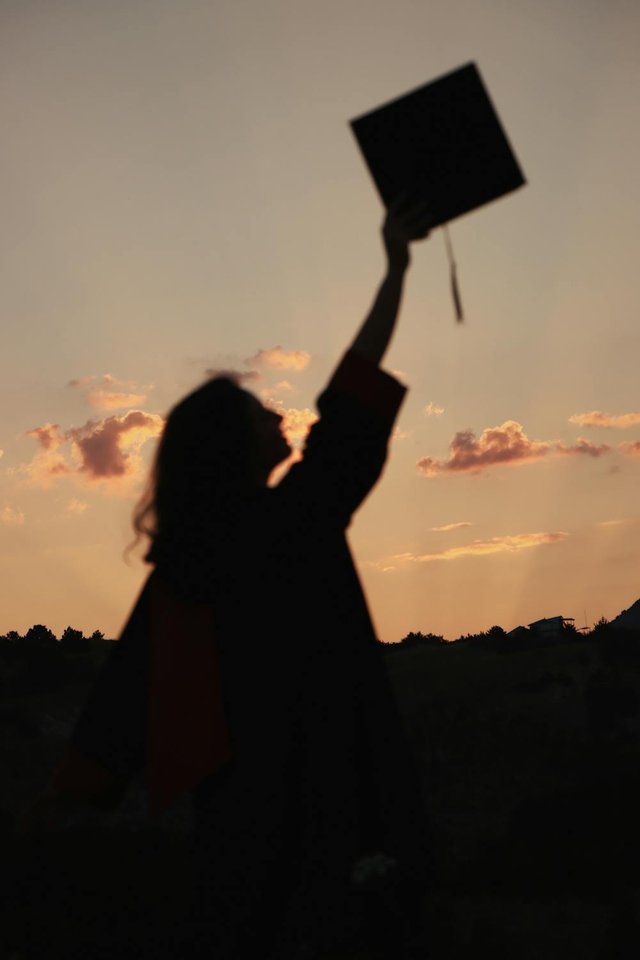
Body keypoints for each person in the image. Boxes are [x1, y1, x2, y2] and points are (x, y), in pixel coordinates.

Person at [18, 195, 434, 959]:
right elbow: (354, 394)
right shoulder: (294, 521)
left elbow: (114, 717)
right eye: (257, 408)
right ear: (232, 448)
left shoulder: (184, 573)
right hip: (332, 820)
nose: (280, 415)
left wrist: (60, 805)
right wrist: (395, 269)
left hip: (236, 840)